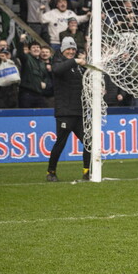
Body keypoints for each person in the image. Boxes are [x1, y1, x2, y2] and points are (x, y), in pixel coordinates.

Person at [46, 36, 92, 182]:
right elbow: (58, 70)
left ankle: (87, 172)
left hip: (79, 112)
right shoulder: (58, 61)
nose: (71, 51)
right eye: (68, 49)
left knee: (89, 142)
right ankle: (51, 172)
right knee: (61, 143)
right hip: (65, 112)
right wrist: (76, 61)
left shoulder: (78, 67)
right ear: (62, 50)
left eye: (73, 49)